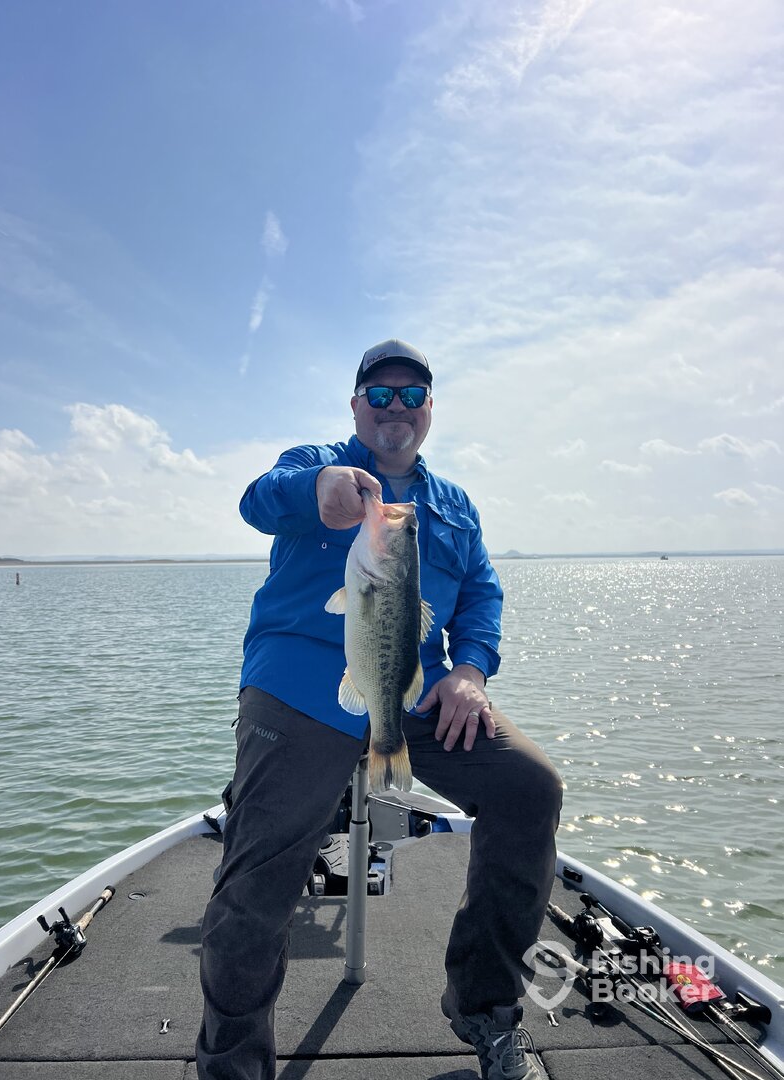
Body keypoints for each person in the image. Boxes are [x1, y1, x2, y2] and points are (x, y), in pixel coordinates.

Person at [196, 339, 563, 1080]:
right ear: (356, 405)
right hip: (299, 692)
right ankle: (231, 1067)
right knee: (257, 879)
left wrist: (470, 670)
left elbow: (482, 594)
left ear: (430, 409)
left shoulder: (454, 505)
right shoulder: (317, 463)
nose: (397, 407)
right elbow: (258, 499)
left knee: (529, 787)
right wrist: (317, 487)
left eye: (413, 395)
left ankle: (485, 1008)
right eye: (381, 393)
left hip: (415, 691)